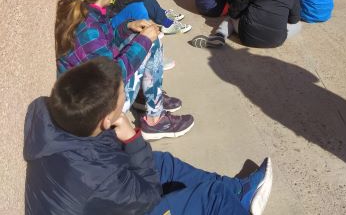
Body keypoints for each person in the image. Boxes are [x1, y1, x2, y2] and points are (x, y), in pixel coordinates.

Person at [24, 57, 273, 215]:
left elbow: (99, 152)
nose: (126, 97)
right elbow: (149, 196)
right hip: (114, 198)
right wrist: (132, 139)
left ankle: (237, 191)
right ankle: (228, 200)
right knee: (211, 198)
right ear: (106, 120)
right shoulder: (101, 181)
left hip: (88, 190)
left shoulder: (48, 110)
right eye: (123, 95)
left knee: (161, 162)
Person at [55, 0, 194, 140]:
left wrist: (128, 26)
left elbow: (105, 43)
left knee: (145, 39)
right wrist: (144, 41)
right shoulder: (89, 29)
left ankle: (147, 97)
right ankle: (155, 119)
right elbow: (113, 74)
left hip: (88, 92)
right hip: (93, 110)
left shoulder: (87, 12)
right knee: (150, 43)